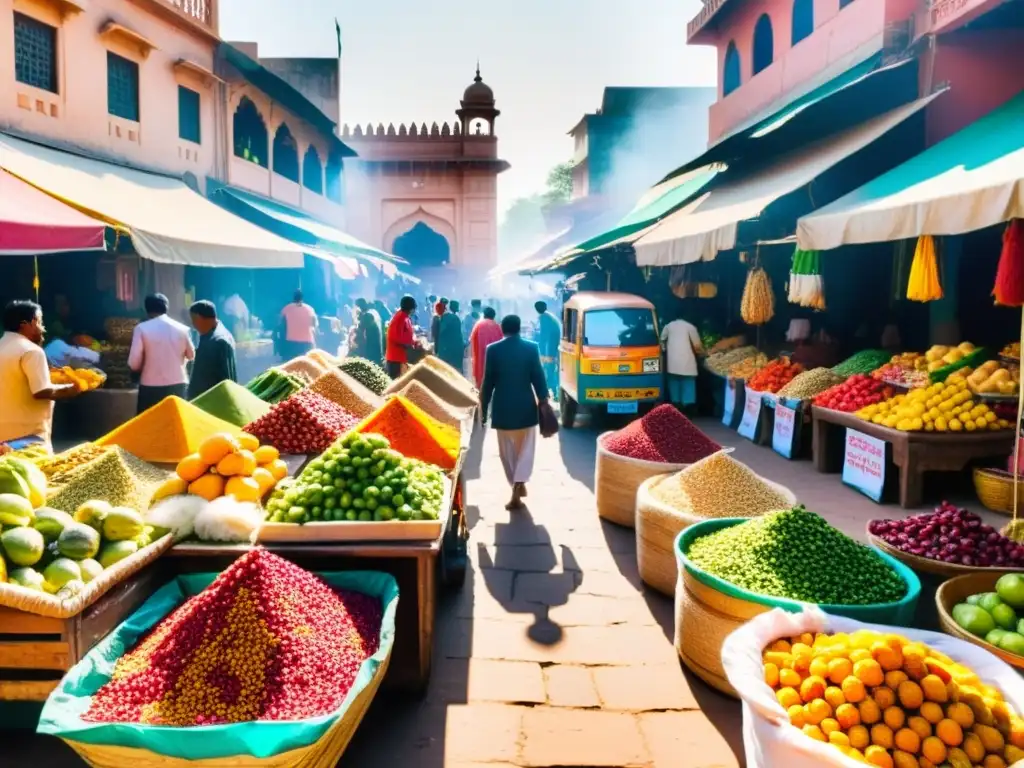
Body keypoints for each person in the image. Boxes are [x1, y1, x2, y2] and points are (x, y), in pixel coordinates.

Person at [480, 314, 549, 510]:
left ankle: (515, 485)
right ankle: (520, 482)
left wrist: (483, 410)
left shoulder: (493, 350)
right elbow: (538, 376)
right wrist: (543, 398)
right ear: (520, 328)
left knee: (507, 453)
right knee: (526, 450)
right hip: (526, 409)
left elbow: (488, 383)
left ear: (502, 328)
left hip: (502, 410)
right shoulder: (531, 348)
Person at [0, 300, 80, 451]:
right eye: (39, 322)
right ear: (25, 324)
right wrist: (71, 388)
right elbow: (41, 391)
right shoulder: (32, 351)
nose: (43, 328)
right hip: (27, 437)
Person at [129, 294, 195, 414]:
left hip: (150, 386)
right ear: (166, 307)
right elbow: (191, 355)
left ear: (147, 309)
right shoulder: (182, 329)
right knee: (174, 422)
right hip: (178, 384)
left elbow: (134, 363)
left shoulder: (142, 328)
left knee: (150, 425)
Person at [186, 300, 237, 399]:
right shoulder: (211, 334)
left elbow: (225, 379)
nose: (193, 324)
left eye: (194, 320)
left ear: (202, 318)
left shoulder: (219, 341)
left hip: (212, 401)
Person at [660, 310, 704, 411]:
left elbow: (662, 340)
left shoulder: (668, 326)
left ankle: (676, 408)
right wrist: (703, 354)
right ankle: (688, 409)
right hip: (687, 365)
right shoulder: (690, 327)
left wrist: (664, 350)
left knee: (674, 386)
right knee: (688, 386)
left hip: (672, 365)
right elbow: (697, 346)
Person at [469, 306, 503, 389]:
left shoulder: (478, 325)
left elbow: (471, 340)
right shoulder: (497, 326)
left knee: (481, 378)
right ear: (493, 316)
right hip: (494, 359)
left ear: (484, 315)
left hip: (481, 357)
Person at [385, 295, 418, 379]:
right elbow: (396, 337)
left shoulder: (404, 317)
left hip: (400, 357)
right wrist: (409, 345)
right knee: (396, 383)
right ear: (410, 308)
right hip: (396, 358)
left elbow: (407, 335)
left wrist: (414, 342)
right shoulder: (400, 318)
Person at [279, 290, 318, 359]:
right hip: (307, 343)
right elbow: (314, 325)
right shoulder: (309, 308)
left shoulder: (286, 308)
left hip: (291, 343)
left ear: (293, 298)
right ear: (302, 298)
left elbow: (281, 324)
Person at [534, 301, 562, 398]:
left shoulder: (544, 317)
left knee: (548, 369)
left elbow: (544, 336)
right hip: (553, 348)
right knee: (550, 369)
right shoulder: (550, 316)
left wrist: (540, 349)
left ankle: (553, 392)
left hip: (549, 349)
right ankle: (553, 392)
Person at [436, 299, 466, 373]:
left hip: (446, 349)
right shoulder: (454, 318)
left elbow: (440, 332)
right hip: (454, 349)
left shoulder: (445, 317)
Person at [354, 298, 384, 366]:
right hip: (378, 349)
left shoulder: (368, 315)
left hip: (372, 351)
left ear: (359, 307)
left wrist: (357, 317)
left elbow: (359, 329)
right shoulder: (374, 312)